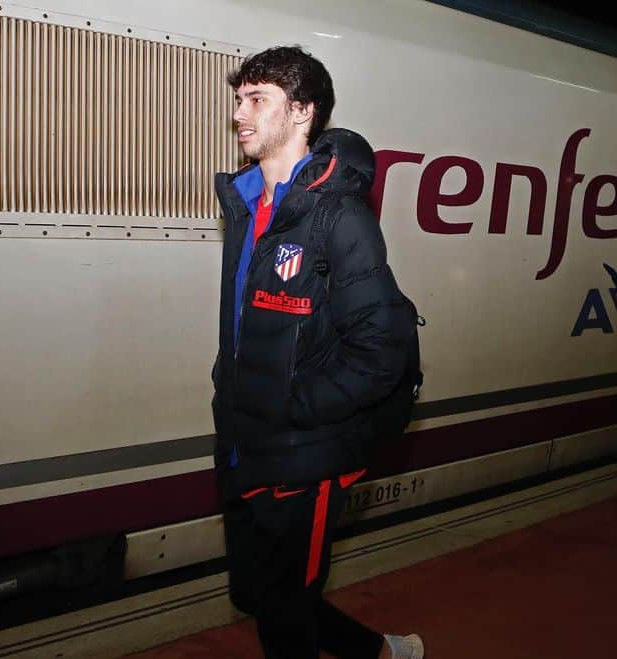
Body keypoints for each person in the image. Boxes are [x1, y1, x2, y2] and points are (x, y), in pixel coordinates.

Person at [211, 46, 424, 659]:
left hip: (303, 452)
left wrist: (296, 407)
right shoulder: (247, 203)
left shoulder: (341, 218)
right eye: (239, 99)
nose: (240, 115)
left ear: (302, 112)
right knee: (259, 596)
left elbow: (382, 350)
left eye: (258, 100)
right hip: (241, 440)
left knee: (284, 619)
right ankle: (383, 653)